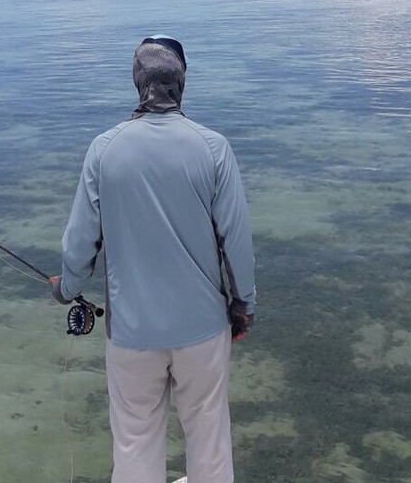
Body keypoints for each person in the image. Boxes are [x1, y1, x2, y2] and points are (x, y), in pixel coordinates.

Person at [50, 35, 256, 483]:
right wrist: (243, 308)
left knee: (135, 445)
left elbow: (81, 244)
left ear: (137, 82)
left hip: (131, 335)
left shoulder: (104, 149)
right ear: (182, 83)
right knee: (210, 443)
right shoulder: (214, 148)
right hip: (202, 330)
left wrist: (65, 289)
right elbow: (236, 242)